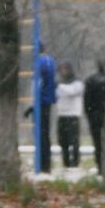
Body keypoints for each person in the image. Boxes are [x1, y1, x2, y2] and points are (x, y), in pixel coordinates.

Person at [54, 61, 83, 170]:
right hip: (62, 115)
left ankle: (75, 163)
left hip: (73, 115)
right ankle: (66, 162)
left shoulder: (77, 82)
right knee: (63, 141)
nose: (62, 72)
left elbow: (72, 92)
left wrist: (60, 86)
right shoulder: (60, 83)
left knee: (74, 141)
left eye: (64, 70)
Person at [33, 44, 57, 174]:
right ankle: (45, 163)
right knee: (44, 133)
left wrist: (38, 99)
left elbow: (41, 82)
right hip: (46, 100)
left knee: (42, 133)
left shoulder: (41, 62)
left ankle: (44, 163)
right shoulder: (49, 60)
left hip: (43, 101)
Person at [84, 58, 105, 173]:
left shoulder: (90, 80)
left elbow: (87, 101)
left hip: (95, 116)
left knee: (98, 143)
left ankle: (100, 166)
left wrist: (89, 114)